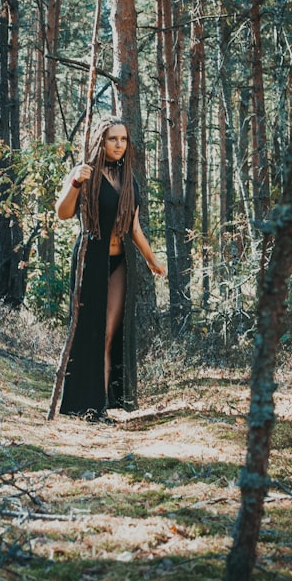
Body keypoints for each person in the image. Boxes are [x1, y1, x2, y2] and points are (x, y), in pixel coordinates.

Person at [55, 115, 166, 420]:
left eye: (123, 139)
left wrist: (152, 260)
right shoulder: (85, 173)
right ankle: (84, 404)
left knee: (109, 333)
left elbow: (134, 228)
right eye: (112, 139)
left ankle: (100, 405)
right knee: (89, 331)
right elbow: (63, 212)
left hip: (119, 263)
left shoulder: (129, 178)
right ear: (100, 141)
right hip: (89, 261)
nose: (119, 144)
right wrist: (76, 181)